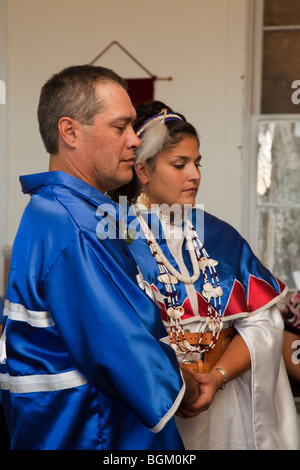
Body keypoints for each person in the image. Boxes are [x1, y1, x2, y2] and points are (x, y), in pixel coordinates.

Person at [0, 66, 203, 450]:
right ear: (70, 131)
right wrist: (190, 388)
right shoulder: (75, 225)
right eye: (120, 127)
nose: (135, 141)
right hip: (93, 431)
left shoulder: (59, 209)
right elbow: (122, 350)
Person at [109, 100, 300, 450]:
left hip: (224, 407)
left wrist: (216, 377)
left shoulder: (219, 236)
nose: (195, 174)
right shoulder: (113, 236)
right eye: (179, 164)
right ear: (143, 170)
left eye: (197, 163)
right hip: (151, 405)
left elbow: (264, 324)